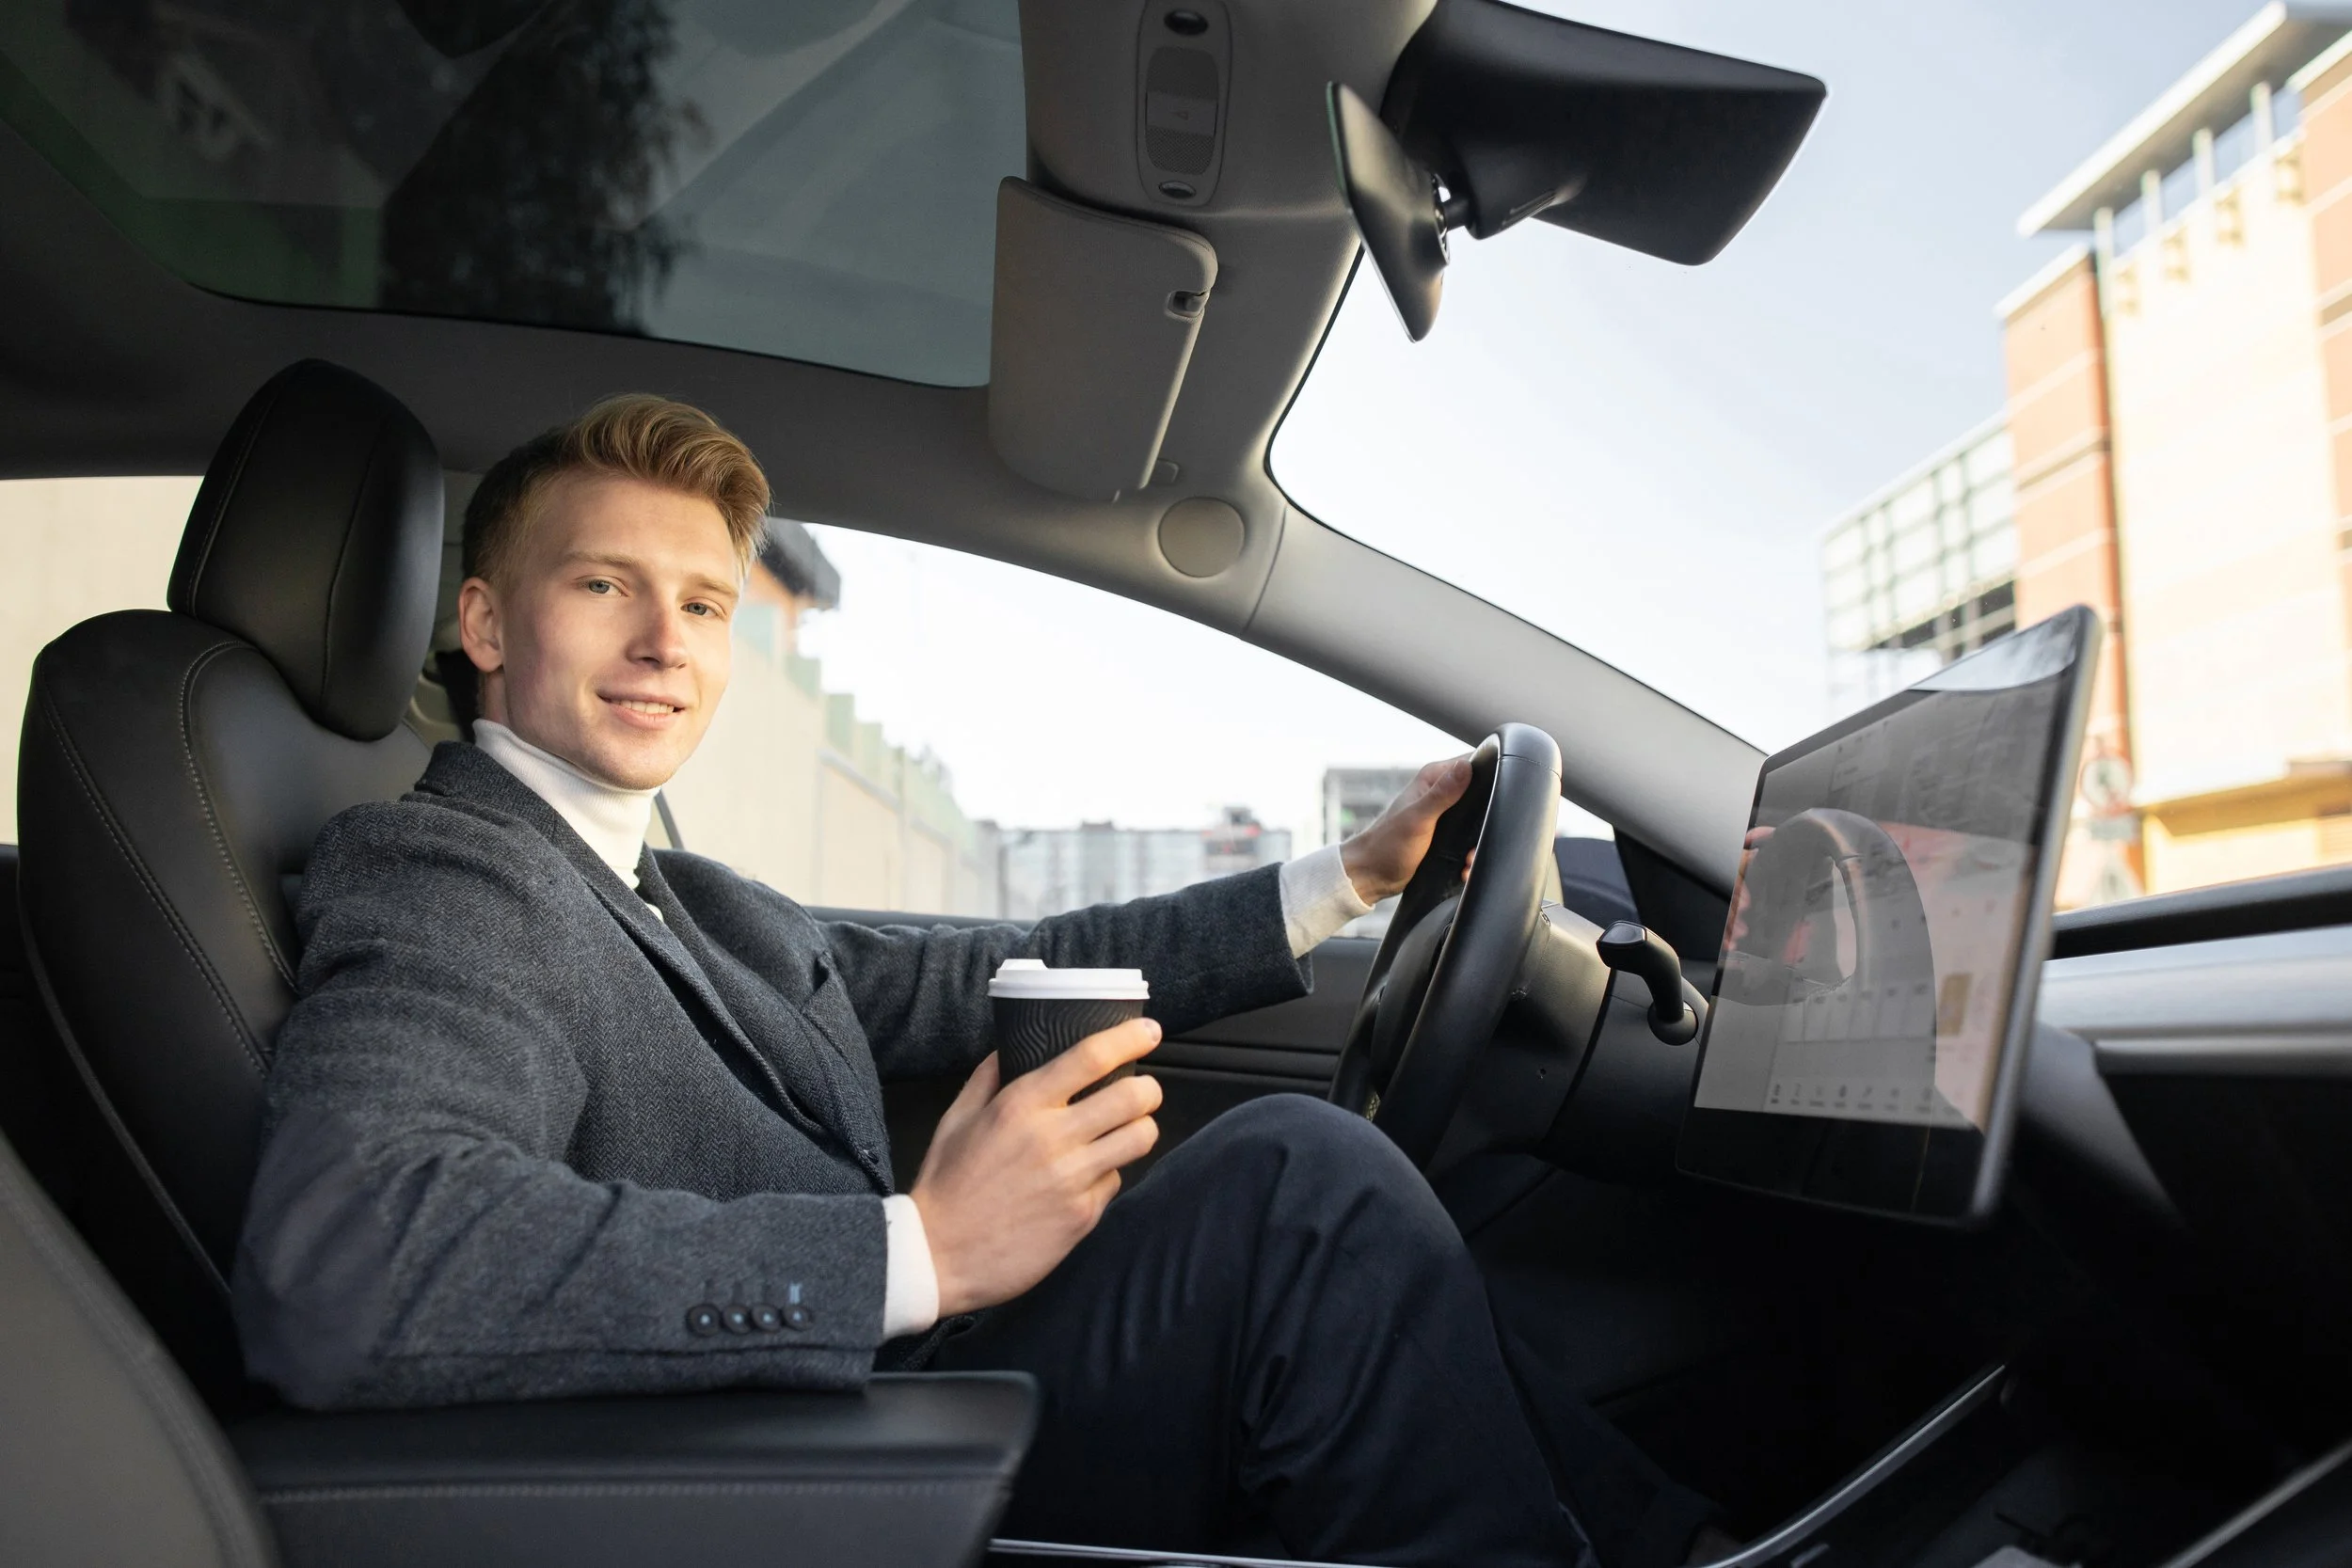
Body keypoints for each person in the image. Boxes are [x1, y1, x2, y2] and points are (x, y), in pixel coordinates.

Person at [230, 395, 1614, 1567]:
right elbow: (355, 1257)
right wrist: (923, 1247)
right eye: (605, 585)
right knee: (1303, 1195)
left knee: (1342, 1222)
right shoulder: (448, 871)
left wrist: (1346, 882)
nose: (667, 640)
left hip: (896, 1404)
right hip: (804, 1478)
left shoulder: (694, 892)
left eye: (706, 603)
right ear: (482, 620)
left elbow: (989, 975)